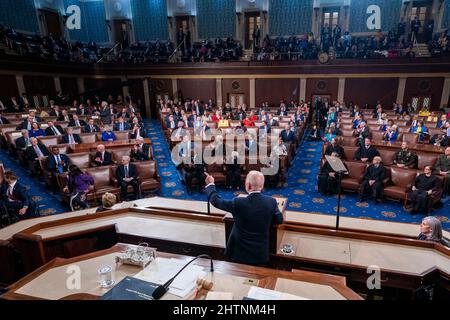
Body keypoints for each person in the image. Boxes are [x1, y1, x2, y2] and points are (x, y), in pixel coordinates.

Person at [205, 170, 284, 266]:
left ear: (248, 185)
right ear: (262, 186)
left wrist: (211, 184)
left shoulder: (238, 202)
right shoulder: (271, 202)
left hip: (239, 254)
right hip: (260, 255)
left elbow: (216, 201)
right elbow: (279, 220)